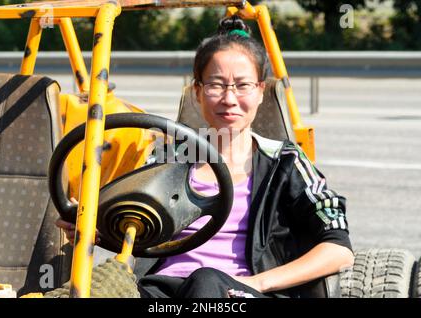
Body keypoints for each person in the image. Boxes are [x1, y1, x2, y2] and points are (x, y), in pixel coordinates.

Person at [56, 15, 354, 298]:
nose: (229, 98)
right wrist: (93, 229)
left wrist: (258, 282)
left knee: (206, 280)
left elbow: (339, 249)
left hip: (240, 291)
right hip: (162, 291)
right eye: (216, 85)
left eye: (242, 85)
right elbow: (132, 229)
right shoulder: (163, 159)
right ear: (197, 92)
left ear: (261, 91)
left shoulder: (286, 163)